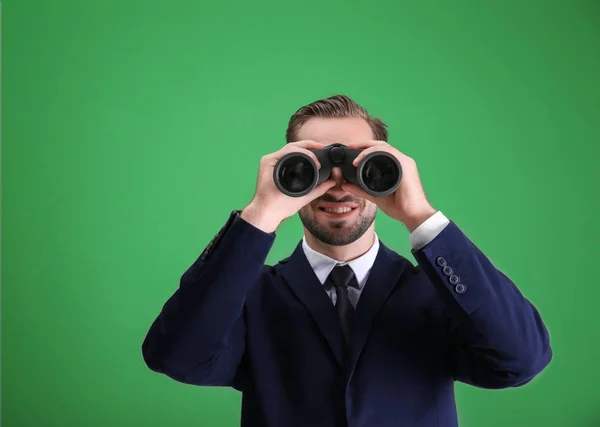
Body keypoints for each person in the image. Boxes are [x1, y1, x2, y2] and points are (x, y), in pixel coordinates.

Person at [141, 95, 552, 427]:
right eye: (313, 168)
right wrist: (259, 215)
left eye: (361, 166)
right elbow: (177, 357)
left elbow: (521, 360)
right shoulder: (252, 295)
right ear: (287, 173)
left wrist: (421, 217)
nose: (338, 187)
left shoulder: (436, 292)